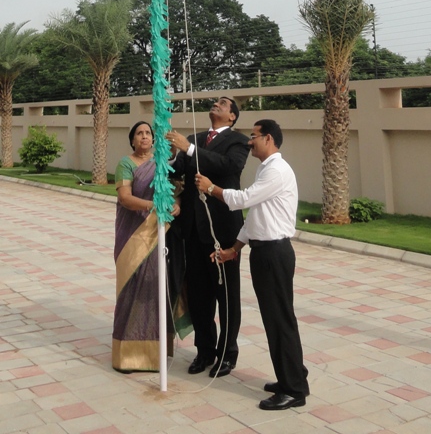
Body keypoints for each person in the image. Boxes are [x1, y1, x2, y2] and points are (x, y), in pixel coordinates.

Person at [195, 119, 309, 411]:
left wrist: (211, 189)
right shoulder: (266, 169)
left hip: (274, 253)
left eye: (255, 136)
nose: (250, 142)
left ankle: (293, 389)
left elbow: (243, 200)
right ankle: (292, 378)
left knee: (279, 320)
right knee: (277, 319)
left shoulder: (277, 171)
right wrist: (235, 248)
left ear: (268, 138)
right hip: (263, 252)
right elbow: (256, 216)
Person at [166, 97, 249, 377]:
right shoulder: (194, 138)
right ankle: (204, 351)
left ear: (232, 117)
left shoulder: (238, 142)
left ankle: (227, 353)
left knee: (226, 296)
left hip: (223, 232)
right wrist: (169, 154)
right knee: (200, 296)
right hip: (193, 231)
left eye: (224, 103)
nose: (217, 104)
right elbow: (177, 171)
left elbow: (229, 168)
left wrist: (189, 149)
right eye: (216, 101)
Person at [112, 120, 190, 372]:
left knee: (154, 291)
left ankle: (155, 353)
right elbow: (124, 197)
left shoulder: (161, 165)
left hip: (158, 237)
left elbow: (175, 190)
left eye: (148, 133)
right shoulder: (126, 164)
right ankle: (127, 356)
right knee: (130, 291)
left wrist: (176, 203)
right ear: (132, 140)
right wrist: (151, 206)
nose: (145, 136)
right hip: (132, 237)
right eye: (139, 133)